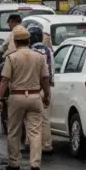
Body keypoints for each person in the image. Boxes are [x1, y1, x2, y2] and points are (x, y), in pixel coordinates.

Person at [0, 26, 51, 170]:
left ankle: (14, 163)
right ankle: (35, 164)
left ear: (15, 41)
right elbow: (45, 79)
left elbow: (5, 80)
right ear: (28, 41)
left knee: (14, 131)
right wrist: (47, 95)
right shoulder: (39, 57)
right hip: (35, 96)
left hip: (17, 96)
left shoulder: (12, 57)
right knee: (35, 131)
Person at [28, 24, 55, 156]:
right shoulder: (49, 51)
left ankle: (32, 143)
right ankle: (47, 144)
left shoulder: (30, 51)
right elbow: (52, 69)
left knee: (31, 118)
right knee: (45, 118)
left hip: (33, 88)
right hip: (46, 87)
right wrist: (49, 90)